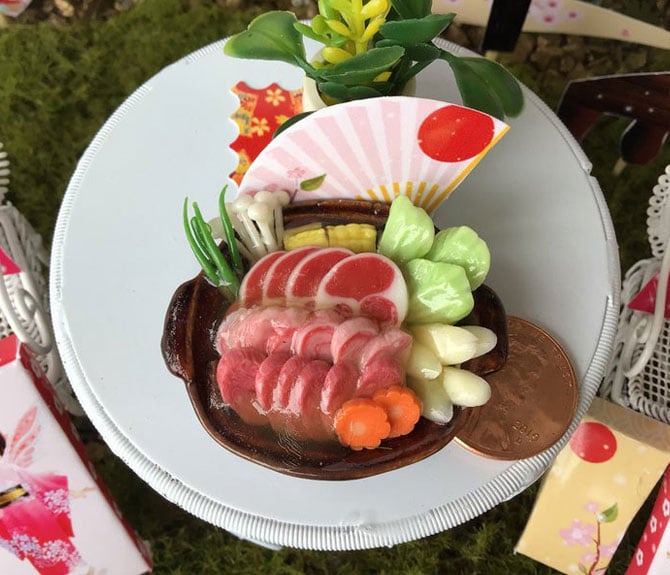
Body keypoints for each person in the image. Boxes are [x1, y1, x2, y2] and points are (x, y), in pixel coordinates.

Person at [0, 406, 86, 574]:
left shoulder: (9, 468)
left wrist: (71, 492)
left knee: (51, 539)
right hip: (13, 518)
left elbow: (38, 483)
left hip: (30, 510)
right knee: (36, 548)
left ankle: (76, 569)